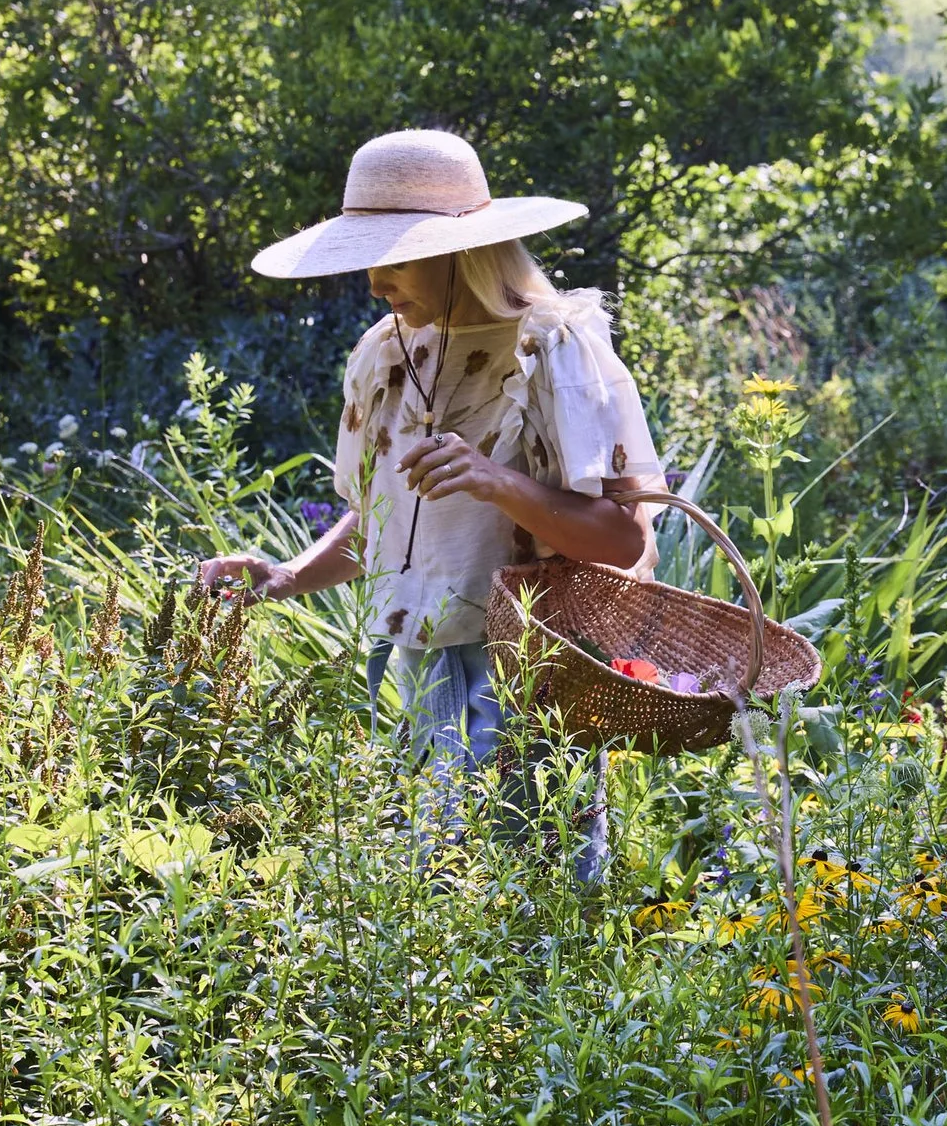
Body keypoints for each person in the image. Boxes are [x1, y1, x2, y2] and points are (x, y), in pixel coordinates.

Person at [197, 130, 665, 861]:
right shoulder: (385, 352)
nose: (374, 283)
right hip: (414, 669)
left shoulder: (553, 348)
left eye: (395, 257)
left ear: (461, 252)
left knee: (534, 884)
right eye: (367, 258)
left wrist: (499, 482)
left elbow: (623, 539)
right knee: (434, 891)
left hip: (527, 671)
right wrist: (286, 575)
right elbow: (384, 518)